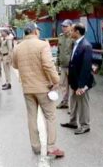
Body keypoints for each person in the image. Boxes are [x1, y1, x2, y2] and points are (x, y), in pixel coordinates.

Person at [12, 22, 64, 158]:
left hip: (27, 88)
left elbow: (15, 65)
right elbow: (48, 65)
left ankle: (35, 146)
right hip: (43, 87)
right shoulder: (42, 45)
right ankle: (51, 147)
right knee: (50, 116)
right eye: (38, 30)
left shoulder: (18, 47)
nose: (39, 32)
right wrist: (56, 81)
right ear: (35, 31)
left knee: (31, 117)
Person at [61, 23, 94, 135]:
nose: (70, 32)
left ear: (77, 32)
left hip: (81, 82)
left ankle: (85, 125)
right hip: (74, 81)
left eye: (72, 30)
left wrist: (81, 85)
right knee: (74, 101)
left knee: (83, 104)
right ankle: (73, 121)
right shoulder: (76, 44)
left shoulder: (86, 46)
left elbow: (86, 67)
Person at [56, 19, 74, 110]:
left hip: (71, 66)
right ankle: (64, 102)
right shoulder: (61, 37)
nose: (64, 28)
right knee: (63, 85)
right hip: (63, 66)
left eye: (66, 26)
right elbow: (59, 51)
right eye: (63, 26)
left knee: (73, 86)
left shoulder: (74, 37)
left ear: (71, 26)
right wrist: (57, 64)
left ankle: (73, 106)